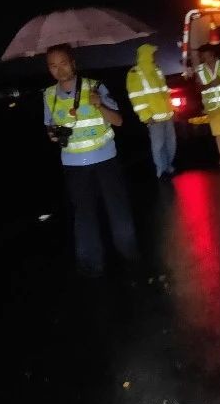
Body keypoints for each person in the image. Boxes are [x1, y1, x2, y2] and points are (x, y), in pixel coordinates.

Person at [42, 43, 139, 278]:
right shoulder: (48, 95)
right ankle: (90, 265)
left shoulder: (95, 86)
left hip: (105, 159)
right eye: (53, 66)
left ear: (73, 62)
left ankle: (130, 257)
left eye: (63, 63)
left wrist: (100, 104)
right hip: (73, 165)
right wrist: (54, 134)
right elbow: (49, 128)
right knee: (83, 215)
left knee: (118, 210)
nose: (59, 69)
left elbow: (118, 121)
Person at [126, 43, 176, 178]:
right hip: (154, 117)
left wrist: (171, 110)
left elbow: (164, 92)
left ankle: (168, 165)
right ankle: (161, 169)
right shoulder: (135, 73)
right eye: (153, 53)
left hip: (166, 114)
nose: (155, 55)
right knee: (158, 145)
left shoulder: (157, 69)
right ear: (146, 54)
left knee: (170, 143)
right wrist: (146, 116)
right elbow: (136, 97)